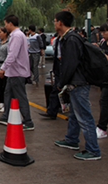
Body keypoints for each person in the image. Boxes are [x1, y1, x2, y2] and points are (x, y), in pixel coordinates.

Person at [53, 11, 101, 160]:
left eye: (55, 21)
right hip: (75, 83)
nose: (54, 23)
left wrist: (62, 82)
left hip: (78, 83)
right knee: (74, 114)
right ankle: (71, 140)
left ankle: (93, 150)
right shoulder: (68, 38)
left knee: (84, 116)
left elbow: (70, 64)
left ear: (60, 22)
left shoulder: (72, 39)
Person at [0, 14, 34, 131]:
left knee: (20, 97)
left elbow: (12, 55)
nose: (5, 26)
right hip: (13, 73)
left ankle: (28, 121)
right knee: (8, 94)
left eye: (6, 23)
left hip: (17, 72)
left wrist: (3, 68)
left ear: (10, 23)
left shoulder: (16, 36)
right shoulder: (17, 35)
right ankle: (6, 116)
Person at [96, 23, 108, 139]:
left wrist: (102, 54)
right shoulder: (103, 43)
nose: (103, 34)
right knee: (103, 102)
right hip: (104, 78)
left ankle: (102, 127)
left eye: (105, 32)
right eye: (102, 32)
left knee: (104, 101)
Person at [0, 27, 9, 113]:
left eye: (0, 32)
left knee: (5, 86)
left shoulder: (9, 42)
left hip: (5, 66)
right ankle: (1, 101)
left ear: (5, 33)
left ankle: (6, 103)